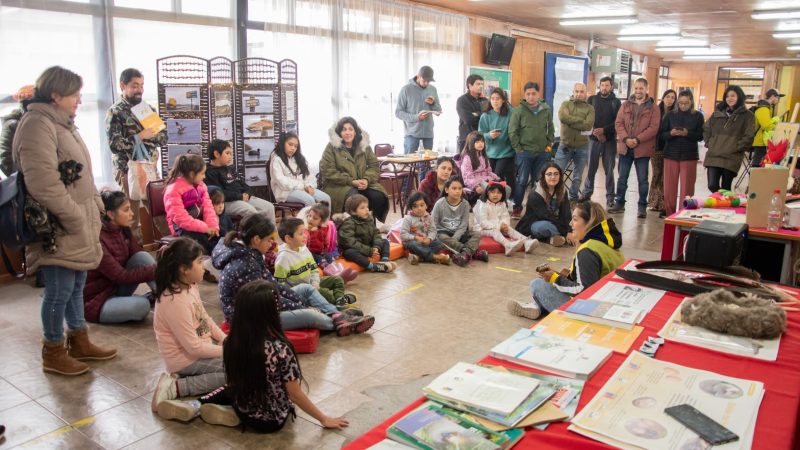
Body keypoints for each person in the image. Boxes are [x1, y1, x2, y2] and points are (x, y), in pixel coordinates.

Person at [13, 66, 116, 376]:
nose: (79, 101)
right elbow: (43, 184)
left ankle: (78, 338)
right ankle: (54, 349)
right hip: (59, 226)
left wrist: (94, 206)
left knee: (76, 285)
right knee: (58, 290)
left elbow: (79, 173)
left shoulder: (62, 123)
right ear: (56, 95)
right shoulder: (36, 125)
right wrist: (74, 217)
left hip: (79, 220)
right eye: (74, 95)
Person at [155, 280, 351, 430]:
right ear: (272, 312)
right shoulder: (281, 349)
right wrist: (323, 418)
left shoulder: (233, 341)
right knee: (243, 388)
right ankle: (228, 413)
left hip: (243, 403)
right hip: (270, 420)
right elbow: (294, 393)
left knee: (231, 386)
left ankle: (199, 404)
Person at [212, 213, 374, 335]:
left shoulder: (249, 253)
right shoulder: (245, 264)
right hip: (251, 318)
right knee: (310, 315)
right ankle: (341, 321)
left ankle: (336, 312)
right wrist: (302, 306)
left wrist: (299, 300)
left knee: (306, 289)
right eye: (269, 239)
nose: (272, 244)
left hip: (263, 302)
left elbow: (273, 286)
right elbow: (271, 299)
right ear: (255, 239)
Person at [150, 238, 226, 420]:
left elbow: (204, 317)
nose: (204, 267)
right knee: (238, 373)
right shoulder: (174, 301)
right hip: (185, 360)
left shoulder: (190, 285)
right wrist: (228, 350)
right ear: (183, 269)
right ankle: (175, 387)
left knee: (244, 366)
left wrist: (224, 338)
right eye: (199, 262)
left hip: (199, 351)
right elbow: (193, 348)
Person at [509, 201, 624, 319]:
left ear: (588, 222)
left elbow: (583, 290)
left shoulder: (587, 251)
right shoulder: (606, 243)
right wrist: (562, 276)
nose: (570, 223)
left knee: (537, 284)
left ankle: (537, 306)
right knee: (552, 282)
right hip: (607, 304)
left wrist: (555, 278)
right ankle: (536, 307)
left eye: (575, 219)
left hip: (590, 312)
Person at [106, 68, 168, 243]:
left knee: (160, 209)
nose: (139, 90)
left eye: (141, 85)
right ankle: (136, 254)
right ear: (123, 86)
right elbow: (115, 145)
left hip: (149, 168)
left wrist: (150, 136)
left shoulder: (147, 109)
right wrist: (140, 137)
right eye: (134, 85)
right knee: (130, 214)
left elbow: (163, 137)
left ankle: (175, 247)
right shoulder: (115, 112)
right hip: (128, 169)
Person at [83, 190, 156, 324]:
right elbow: (121, 276)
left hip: (116, 287)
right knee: (142, 306)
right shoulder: (97, 239)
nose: (132, 213)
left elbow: (138, 258)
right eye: (126, 210)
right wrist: (159, 270)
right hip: (98, 301)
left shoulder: (123, 229)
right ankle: (166, 296)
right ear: (110, 214)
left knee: (142, 256)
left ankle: (169, 296)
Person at [274, 217, 357, 308]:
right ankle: (338, 303)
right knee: (326, 293)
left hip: (311, 283)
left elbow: (314, 270)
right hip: (301, 291)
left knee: (337, 280)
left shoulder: (304, 249)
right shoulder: (283, 258)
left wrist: (315, 283)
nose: (305, 236)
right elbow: (280, 286)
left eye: (304, 232)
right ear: (288, 238)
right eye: (301, 234)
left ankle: (339, 300)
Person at [609, 78, 661, 218]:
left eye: (641, 88)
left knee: (642, 180)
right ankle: (619, 203)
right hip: (625, 148)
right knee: (622, 178)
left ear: (646, 89)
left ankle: (642, 207)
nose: (638, 91)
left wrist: (637, 139)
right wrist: (626, 139)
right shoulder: (625, 105)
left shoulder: (653, 108)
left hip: (642, 149)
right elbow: (618, 123)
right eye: (636, 88)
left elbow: (653, 128)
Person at [319, 117, 389, 223]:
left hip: (363, 183)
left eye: (350, 129)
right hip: (338, 186)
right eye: (344, 129)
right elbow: (329, 172)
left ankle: (365, 222)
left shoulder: (364, 146)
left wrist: (366, 179)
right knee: (354, 197)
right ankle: (353, 226)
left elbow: (374, 166)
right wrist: (351, 181)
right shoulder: (331, 147)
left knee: (378, 196)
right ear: (339, 132)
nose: (347, 132)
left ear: (355, 131)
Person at [509, 82, 554, 217]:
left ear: (538, 94)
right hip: (524, 152)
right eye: (528, 94)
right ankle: (517, 207)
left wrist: (548, 146)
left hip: (541, 152)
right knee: (522, 181)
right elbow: (512, 131)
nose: (531, 96)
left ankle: (535, 208)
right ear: (525, 95)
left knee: (539, 181)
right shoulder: (519, 110)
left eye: (533, 93)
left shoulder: (546, 109)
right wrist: (518, 149)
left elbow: (550, 128)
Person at [205, 139, 275, 223]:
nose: (230, 157)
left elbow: (242, 183)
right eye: (227, 153)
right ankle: (247, 234)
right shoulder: (209, 172)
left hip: (242, 198)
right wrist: (240, 196)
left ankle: (272, 236)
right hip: (226, 202)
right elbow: (219, 194)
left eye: (230, 154)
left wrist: (247, 193)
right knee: (251, 212)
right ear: (216, 154)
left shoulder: (230, 168)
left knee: (269, 207)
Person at [164, 153, 220, 255]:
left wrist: (213, 226)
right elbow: (181, 219)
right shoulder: (173, 189)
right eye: (202, 173)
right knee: (201, 240)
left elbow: (208, 207)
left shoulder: (201, 186)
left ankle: (218, 259)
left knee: (219, 235)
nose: (204, 176)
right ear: (191, 174)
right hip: (181, 227)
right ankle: (207, 263)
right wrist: (205, 228)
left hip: (198, 223)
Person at [703, 85, 756, 193]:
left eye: (733, 96)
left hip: (732, 156)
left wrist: (737, 147)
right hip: (714, 154)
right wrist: (710, 143)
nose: (729, 98)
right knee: (712, 185)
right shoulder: (717, 114)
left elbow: (749, 135)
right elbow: (706, 128)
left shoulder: (748, 116)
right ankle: (720, 203)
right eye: (727, 96)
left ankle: (724, 208)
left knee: (725, 188)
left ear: (739, 97)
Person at [661, 90, 705, 217]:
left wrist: (688, 133)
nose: (683, 105)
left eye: (686, 103)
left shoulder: (698, 116)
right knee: (669, 187)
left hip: (689, 155)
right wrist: (671, 133)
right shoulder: (669, 115)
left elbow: (701, 136)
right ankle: (669, 213)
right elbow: (662, 135)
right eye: (680, 103)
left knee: (687, 187)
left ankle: (684, 213)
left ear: (691, 102)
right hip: (671, 154)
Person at [432, 176, 488, 267]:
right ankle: (472, 253)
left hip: (460, 233)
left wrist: (456, 237)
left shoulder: (465, 204)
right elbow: (433, 223)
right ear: (447, 190)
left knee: (477, 234)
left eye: (460, 188)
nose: (457, 191)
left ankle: (465, 255)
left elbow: (463, 225)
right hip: (443, 233)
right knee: (441, 237)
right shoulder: (439, 203)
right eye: (454, 188)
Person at [582, 76, 621, 207]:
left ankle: (610, 197)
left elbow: (617, 122)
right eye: (602, 85)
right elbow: (586, 118)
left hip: (609, 141)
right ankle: (587, 193)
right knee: (591, 168)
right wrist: (596, 133)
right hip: (593, 140)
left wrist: (604, 131)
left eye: (607, 85)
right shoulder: (592, 99)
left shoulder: (616, 102)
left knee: (609, 170)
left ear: (611, 87)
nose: (604, 88)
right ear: (599, 86)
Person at [516, 162, 574, 247]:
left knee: (578, 223)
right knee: (542, 227)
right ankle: (564, 237)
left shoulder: (562, 190)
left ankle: (550, 239)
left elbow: (566, 212)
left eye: (556, 174)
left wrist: (570, 230)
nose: (553, 177)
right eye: (549, 174)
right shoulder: (535, 194)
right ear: (543, 176)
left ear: (560, 176)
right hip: (536, 223)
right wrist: (566, 232)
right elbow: (546, 216)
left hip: (555, 222)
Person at [555, 82, 595, 202]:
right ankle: (556, 197)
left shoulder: (590, 108)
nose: (579, 94)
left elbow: (588, 126)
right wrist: (580, 122)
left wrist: (570, 121)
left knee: (577, 177)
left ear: (585, 93)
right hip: (565, 145)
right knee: (556, 172)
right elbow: (563, 117)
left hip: (582, 147)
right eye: (576, 91)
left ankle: (573, 198)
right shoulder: (565, 104)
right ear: (573, 92)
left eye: (581, 92)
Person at [474, 182, 538, 256]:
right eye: (493, 192)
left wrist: (504, 225)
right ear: (487, 193)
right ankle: (507, 245)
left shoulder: (502, 204)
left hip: (498, 226)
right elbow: (483, 222)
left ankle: (526, 241)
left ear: (503, 194)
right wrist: (499, 227)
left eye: (499, 192)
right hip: (481, 229)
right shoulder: (482, 205)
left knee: (508, 228)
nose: (495, 195)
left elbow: (505, 217)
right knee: (494, 231)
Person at [338, 194, 397, 273]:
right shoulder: (348, 223)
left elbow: (376, 233)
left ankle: (385, 261)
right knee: (349, 253)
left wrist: (376, 247)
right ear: (353, 211)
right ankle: (372, 267)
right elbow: (349, 242)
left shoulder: (368, 218)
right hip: (358, 249)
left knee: (385, 241)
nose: (367, 210)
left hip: (368, 246)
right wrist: (369, 251)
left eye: (367, 207)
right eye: (362, 208)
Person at [269, 132, 331, 206]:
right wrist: (303, 186)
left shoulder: (299, 158)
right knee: (309, 200)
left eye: (295, 146)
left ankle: (325, 218)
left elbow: (310, 175)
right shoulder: (276, 160)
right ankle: (309, 217)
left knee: (326, 198)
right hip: (284, 192)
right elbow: (282, 182)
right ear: (283, 144)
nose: (293, 148)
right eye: (290, 144)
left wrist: (309, 186)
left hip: (303, 188)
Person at [395, 65, 441, 163]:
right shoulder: (406, 89)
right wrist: (417, 117)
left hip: (428, 134)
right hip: (412, 135)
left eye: (429, 81)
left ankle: (424, 180)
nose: (426, 83)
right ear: (418, 76)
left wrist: (433, 103)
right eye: (424, 80)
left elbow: (438, 110)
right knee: (409, 166)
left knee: (425, 165)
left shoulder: (433, 89)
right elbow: (398, 112)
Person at [401, 191, 451, 265]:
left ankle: (420, 257)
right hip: (413, 242)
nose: (419, 208)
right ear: (411, 208)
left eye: (422, 205)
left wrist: (429, 239)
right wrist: (415, 237)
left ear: (426, 206)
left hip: (425, 242)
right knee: (414, 245)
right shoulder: (408, 219)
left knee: (439, 244)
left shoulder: (429, 217)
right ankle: (436, 257)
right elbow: (403, 235)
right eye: (415, 206)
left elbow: (433, 230)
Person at [478, 87, 516, 187]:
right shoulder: (485, 115)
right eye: (493, 98)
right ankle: (495, 199)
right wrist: (489, 135)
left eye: (498, 98)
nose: (495, 101)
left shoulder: (511, 113)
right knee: (490, 178)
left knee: (497, 176)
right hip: (490, 152)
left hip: (506, 152)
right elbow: (480, 134)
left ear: (503, 100)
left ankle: (506, 198)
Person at [648, 89, 676, 217]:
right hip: (656, 148)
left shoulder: (676, 114)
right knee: (656, 174)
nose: (670, 99)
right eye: (668, 97)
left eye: (672, 97)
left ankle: (665, 203)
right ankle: (654, 202)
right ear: (663, 97)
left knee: (666, 177)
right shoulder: (656, 111)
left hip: (670, 148)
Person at [459, 131, 510, 198]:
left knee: (507, 188)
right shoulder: (467, 158)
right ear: (471, 143)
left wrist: (497, 178)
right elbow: (467, 177)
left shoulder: (483, 155)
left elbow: (488, 171)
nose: (480, 144)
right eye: (477, 142)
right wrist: (476, 187)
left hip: (487, 180)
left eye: (482, 141)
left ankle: (501, 206)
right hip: (476, 183)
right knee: (493, 190)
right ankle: (492, 207)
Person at [751, 88, 784, 167]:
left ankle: (756, 177)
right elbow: (766, 125)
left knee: (761, 163)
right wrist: (777, 125)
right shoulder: (763, 108)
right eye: (778, 97)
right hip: (760, 141)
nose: (779, 100)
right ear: (772, 96)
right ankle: (755, 178)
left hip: (762, 140)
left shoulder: (767, 108)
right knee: (757, 164)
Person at [456, 74, 487, 151]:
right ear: (470, 85)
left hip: (481, 140)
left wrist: (476, 114)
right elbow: (468, 120)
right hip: (467, 139)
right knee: (466, 162)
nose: (481, 86)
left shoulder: (484, 100)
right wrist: (481, 115)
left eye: (482, 84)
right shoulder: (462, 100)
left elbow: (488, 118)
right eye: (478, 84)